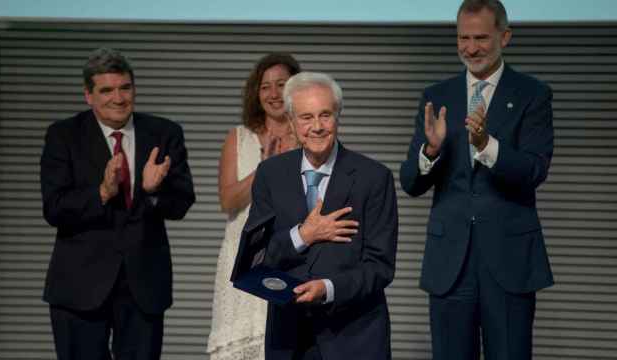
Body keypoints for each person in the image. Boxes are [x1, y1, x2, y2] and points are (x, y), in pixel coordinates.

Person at [399, 1, 554, 359]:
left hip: (509, 260)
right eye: (463, 38)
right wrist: (431, 151)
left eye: (481, 38)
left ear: (505, 36)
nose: (471, 48)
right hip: (449, 263)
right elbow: (410, 182)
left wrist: (487, 145)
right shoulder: (436, 96)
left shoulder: (532, 94)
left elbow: (534, 170)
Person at [40, 47, 195, 360]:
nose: (118, 98)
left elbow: (181, 202)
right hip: (79, 288)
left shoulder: (164, 133)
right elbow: (54, 207)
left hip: (143, 287)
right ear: (89, 95)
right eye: (107, 90)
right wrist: (100, 193)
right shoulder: (64, 135)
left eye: (125, 88)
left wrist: (153, 191)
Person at [245, 71, 398, 360]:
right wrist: (303, 235)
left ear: (338, 116)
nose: (317, 127)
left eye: (325, 115)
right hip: (288, 339)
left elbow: (380, 267)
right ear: (291, 122)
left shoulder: (374, 178)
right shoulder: (270, 174)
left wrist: (327, 289)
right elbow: (256, 256)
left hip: (354, 338)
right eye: (306, 117)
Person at [207, 53, 302, 360]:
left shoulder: (309, 134)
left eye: (281, 85)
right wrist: (265, 168)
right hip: (245, 256)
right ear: (256, 93)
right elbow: (228, 201)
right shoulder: (239, 137)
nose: (273, 94)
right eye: (265, 87)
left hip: (293, 256)